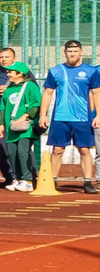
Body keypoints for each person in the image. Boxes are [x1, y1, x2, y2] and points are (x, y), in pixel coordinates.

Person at [43, 37, 99, 193]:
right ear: (65, 52)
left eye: (75, 51)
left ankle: (88, 182)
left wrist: (98, 115)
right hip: (60, 117)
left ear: (81, 52)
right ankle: (52, 181)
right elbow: (47, 93)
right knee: (58, 149)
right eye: (69, 51)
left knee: (85, 150)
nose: (72, 54)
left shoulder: (91, 71)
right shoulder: (55, 71)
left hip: (82, 117)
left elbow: (96, 93)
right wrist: (43, 115)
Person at [0, 59, 43, 190]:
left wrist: (25, 116)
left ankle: (27, 180)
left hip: (25, 127)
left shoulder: (30, 86)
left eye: (10, 72)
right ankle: (17, 179)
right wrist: (2, 124)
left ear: (20, 73)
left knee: (23, 152)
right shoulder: (9, 89)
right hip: (11, 127)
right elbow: (3, 107)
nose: (8, 74)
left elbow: (36, 104)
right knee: (12, 153)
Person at [0, 45, 27, 182]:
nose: (3, 60)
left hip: (20, 118)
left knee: (22, 149)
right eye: (1, 57)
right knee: (3, 148)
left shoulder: (24, 74)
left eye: (7, 57)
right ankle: (9, 177)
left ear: (14, 58)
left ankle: (26, 176)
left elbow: (33, 93)